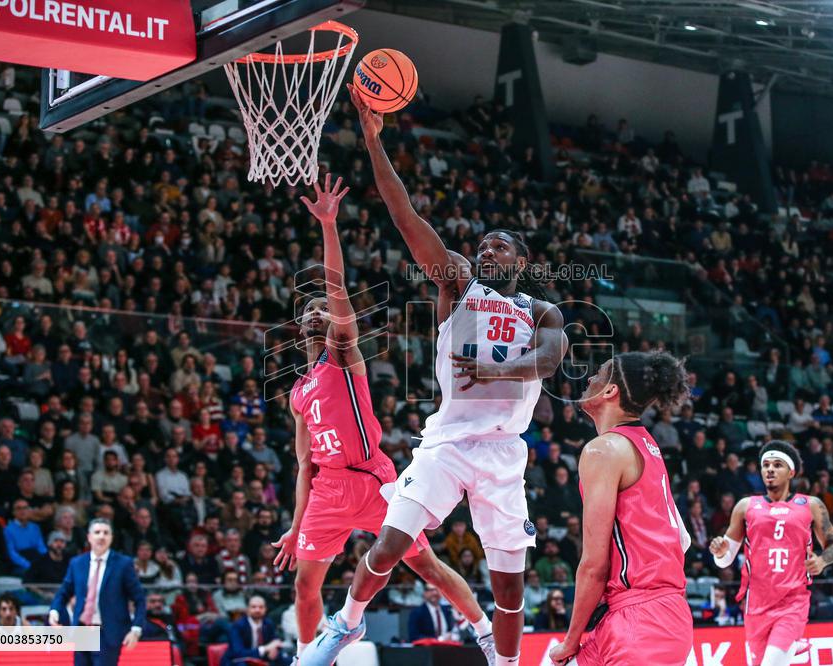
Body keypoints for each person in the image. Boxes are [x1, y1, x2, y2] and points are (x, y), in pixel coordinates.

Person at [305, 86, 568, 666]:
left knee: (510, 590)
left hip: (504, 452)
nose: (485, 250)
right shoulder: (457, 283)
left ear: (520, 262)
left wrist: (502, 367)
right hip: (447, 442)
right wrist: (375, 142)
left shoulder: (539, 310)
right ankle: (347, 622)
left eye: (498, 246)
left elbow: (551, 357)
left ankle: (505, 663)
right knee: (390, 543)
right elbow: (404, 215)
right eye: (482, 245)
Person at [275, 175, 495, 663]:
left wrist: (329, 227)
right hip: (328, 489)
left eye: (323, 311)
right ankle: (305, 653)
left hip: (373, 479)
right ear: (300, 327)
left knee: (428, 567)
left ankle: (484, 629)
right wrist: (294, 526)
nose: (317, 315)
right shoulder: (297, 392)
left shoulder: (343, 355)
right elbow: (302, 466)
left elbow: (336, 290)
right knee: (305, 583)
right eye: (308, 312)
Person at [548, 351, 693, 666]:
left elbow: (593, 565)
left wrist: (570, 642)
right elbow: (683, 539)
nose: (589, 379)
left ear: (611, 391)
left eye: (598, 374)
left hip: (641, 620)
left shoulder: (604, 449)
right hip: (645, 615)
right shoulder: (647, 446)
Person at [709, 440, 833, 666]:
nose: (770, 469)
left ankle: (791, 643)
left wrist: (822, 561)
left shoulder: (810, 504)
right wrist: (720, 553)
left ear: (791, 472)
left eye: (777, 465)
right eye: (766, 465)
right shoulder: (745, 506)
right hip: (756, 605)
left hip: (792, 601)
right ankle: (793, 648)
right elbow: (724, 561)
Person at [50, 518, 146, 666]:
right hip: (82, 630)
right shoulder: (77, 563)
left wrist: (136, 629)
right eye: (97, 532)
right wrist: (54, 611)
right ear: (89, 537)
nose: (101, 536)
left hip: (108, 632)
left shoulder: (123, 564)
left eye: (106, 533)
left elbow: (139, 599)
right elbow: (64, 592)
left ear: (111, 538)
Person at [222, 594, 287, 665]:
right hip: (238, 661)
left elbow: (275, 641)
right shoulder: (237, 626)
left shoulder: (268, 623)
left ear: (265, 609)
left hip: (261, 659)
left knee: (286, 660)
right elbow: (238, 653)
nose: (257, 610)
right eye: (253, 607)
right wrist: (265, 648)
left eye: (261, 607)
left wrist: (274, 649)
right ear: (248, 609)